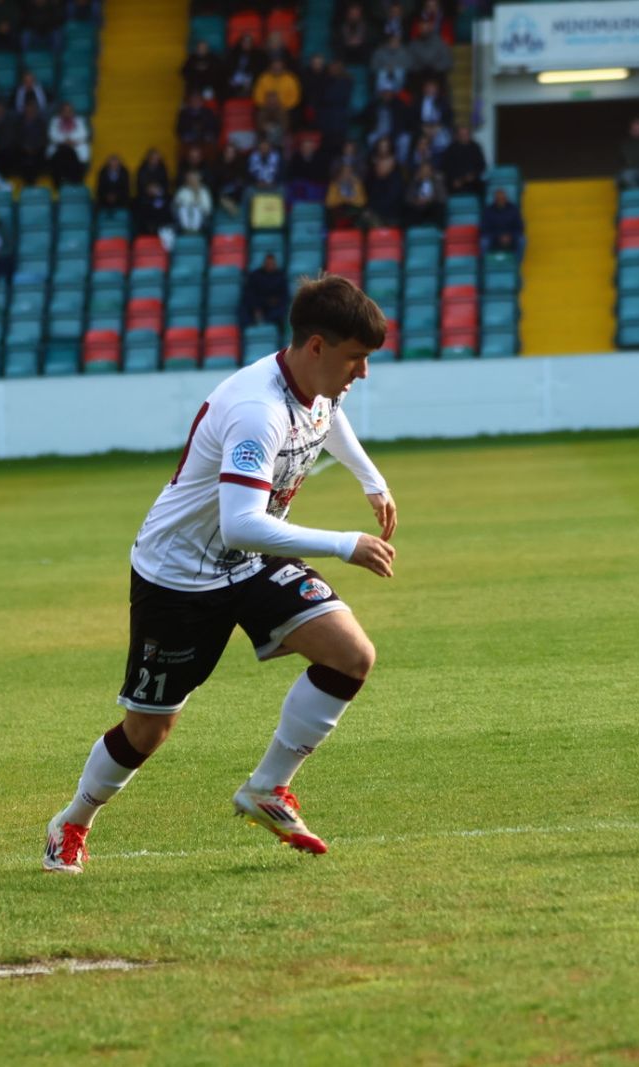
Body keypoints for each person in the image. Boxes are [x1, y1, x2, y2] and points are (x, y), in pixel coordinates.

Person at [42, 276, 398, 873]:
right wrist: (343, 543)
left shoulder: (314, 382)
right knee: (147, 732)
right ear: (315, 347)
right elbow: (240, 525)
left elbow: (328, 414)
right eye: (355, 359)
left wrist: (370, 478)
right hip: (178, 575)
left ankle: (266, 789)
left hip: (250, 561)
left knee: (350, 655)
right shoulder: (256, 412)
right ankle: (72, 821)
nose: (361, 373)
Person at [238, 252, 288, 329]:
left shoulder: (280, 277)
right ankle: (246, 333)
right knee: (243, 310)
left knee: (281, 312)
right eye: (268, 263)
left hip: (273, 308)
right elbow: (249, 294)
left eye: (272, 263)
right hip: (257, 306)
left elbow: (284, 296)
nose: (270, 265)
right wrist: (256, 308)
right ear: (264, 263)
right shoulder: (255, 275)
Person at [48, 102, 91, 186]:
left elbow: (83, 134)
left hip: (75, 148)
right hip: (60, 150)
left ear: (72, 112)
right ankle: (59, 184)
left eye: (69, 111)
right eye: (65, 111)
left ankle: (75, 184)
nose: (67, 113)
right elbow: (52, 135)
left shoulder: (79, 120)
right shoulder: (55, 121)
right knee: (62, 155)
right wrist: (65, 141)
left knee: (73, 158)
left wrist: (70, 140)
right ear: (61, 112)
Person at [402, 161, 446, 228]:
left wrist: (430, 199)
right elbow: (408, 198)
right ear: (419, 172)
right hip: (418, 208)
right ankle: (410, 234)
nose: (425, 173)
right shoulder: (414, 182)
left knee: (439, 208)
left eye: (427, 171)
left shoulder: (437, 182)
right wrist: (416, 201)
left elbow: (443, 197)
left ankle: (441, 234)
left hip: (432, 207)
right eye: (423, 171)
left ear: (431, 172)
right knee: (407, 210)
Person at [480, 187, 523, 254]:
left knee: (521, 240)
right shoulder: (488, 211)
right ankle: (485, 263)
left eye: (502, 198)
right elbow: (484, 229)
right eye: (498, 199)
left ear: (506, 199)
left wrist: (510, 236)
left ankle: (517, 263)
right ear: (495, 200)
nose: (501, 200)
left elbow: (519, 227)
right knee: (484, 242)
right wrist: (498, 236)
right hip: (494, 238)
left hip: (511, 237)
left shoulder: (513, 209)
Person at [326, 162, 367, 229]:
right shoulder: (334, 184)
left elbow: (362, 202)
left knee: (360, 213)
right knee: (330, 213)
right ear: (339, 173)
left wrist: (352, 198)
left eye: (349, 172)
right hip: (338, 211)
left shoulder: (357, 183)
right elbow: (329, 203)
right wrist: (342, 199)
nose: (346, 175)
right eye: (344, 172)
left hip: (353, 212)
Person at [173, 169, 213, 234]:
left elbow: (208, 209)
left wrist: (197, 194)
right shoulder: (182, 190)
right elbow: (176, 205)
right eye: (190, 178)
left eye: (194, 178)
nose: (192, 180)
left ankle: (195, 230)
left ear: (199, 179)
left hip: (201, 219)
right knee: (183, 209)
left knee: (196, 208)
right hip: (184, 218)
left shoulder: (204, 191)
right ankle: (186, 229)